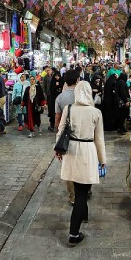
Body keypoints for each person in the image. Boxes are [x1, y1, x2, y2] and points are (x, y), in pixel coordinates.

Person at [55, 81, 106, 247]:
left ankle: (83, 215)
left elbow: (61, 130)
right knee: (82, 193)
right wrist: (102, 160)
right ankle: (74, 234)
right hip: (88, 151)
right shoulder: (96, 112)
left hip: (71, 151)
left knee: (78, 189)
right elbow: (99, 139)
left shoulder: (69, 109)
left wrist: (58, 149)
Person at [55, 69, 79, 204]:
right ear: (77, 81)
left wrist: (58, 138)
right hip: (81, 136)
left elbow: (57, 119)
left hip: (65, 136)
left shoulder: (60, 97)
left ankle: (73, 197)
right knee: (81, 165)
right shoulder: (82, 96)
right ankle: (84, 190)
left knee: (69, 167)